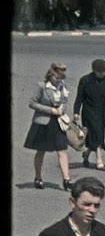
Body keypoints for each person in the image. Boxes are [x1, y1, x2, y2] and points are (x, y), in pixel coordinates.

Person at [26, 61, 74, 191]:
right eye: (56, 78)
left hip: (58, 122)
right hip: (43, 122)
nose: (58, 80)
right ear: (50, 75)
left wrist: (62, 109)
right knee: (41, 151)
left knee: (62, 150)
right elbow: (32, 103)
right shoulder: (42, 86)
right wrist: (51, 110)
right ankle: (38, 177)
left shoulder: (63, 86)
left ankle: (67, 179)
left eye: (60, 78)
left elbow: (65, 101)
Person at [73, 59, 105, 172]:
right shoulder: (85, 80)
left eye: (104, 71)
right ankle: (99, 161)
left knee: (96, 135)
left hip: (102, 112)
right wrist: (76, 112)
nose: (102, 73)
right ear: (94, 70)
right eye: (99, 71)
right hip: (89, 112)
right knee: (97, 135)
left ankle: (86, 153)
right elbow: (79, 98)